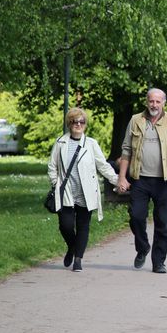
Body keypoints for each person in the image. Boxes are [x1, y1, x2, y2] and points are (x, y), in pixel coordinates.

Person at [117, 88, 167, 274]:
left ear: (163, 102)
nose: (154, 105)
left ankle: (159, 262)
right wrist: (122, 177)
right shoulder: (135, 120)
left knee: (163, 222)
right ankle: (142, 247)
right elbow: (126, 151)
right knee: (136, 216)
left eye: (158, 101)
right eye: (151, 101)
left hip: (165, 181)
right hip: (140, 179)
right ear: (146, 102)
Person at [48, 107, 120, 272]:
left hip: (86, 192)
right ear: (69, 124)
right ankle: (72, 247)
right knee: (65, 226)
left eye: (81, 122)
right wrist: (55, 183)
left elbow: (103, 165)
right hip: (65, 192)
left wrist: (117, 180)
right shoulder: (60, 143)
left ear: (85, 124)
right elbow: (52, 166)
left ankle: (78, 259)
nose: (78, 124)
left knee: (83, 226)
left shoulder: (91, 144)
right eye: (74, 121)